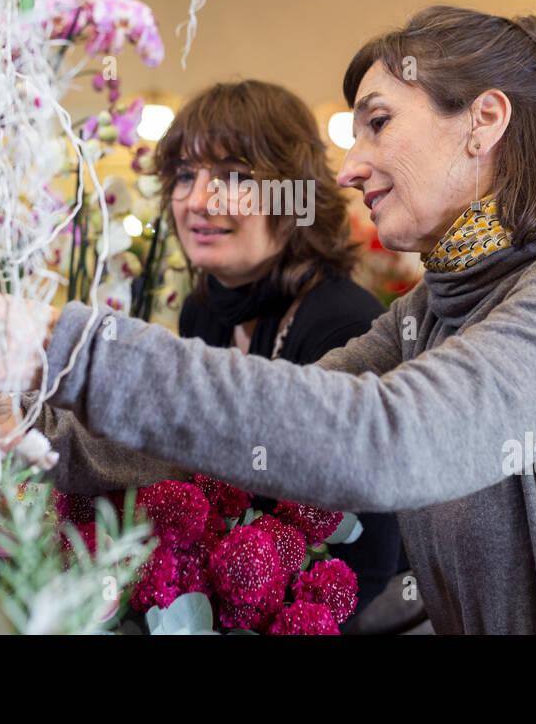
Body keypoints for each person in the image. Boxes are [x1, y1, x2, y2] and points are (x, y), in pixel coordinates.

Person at [0, 6, 536, 634]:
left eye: (379, 122)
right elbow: (250, 441)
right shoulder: (428, 311)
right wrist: (33, 425)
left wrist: (72, 345)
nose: (352, 164)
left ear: (484, 120)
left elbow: (390, 440)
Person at [157, 79, 405, 623]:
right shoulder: (203, 310)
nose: (198, 200)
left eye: (234, 177)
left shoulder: (344, 325)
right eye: (183, 175)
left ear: (293, 195)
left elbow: (367, 562)